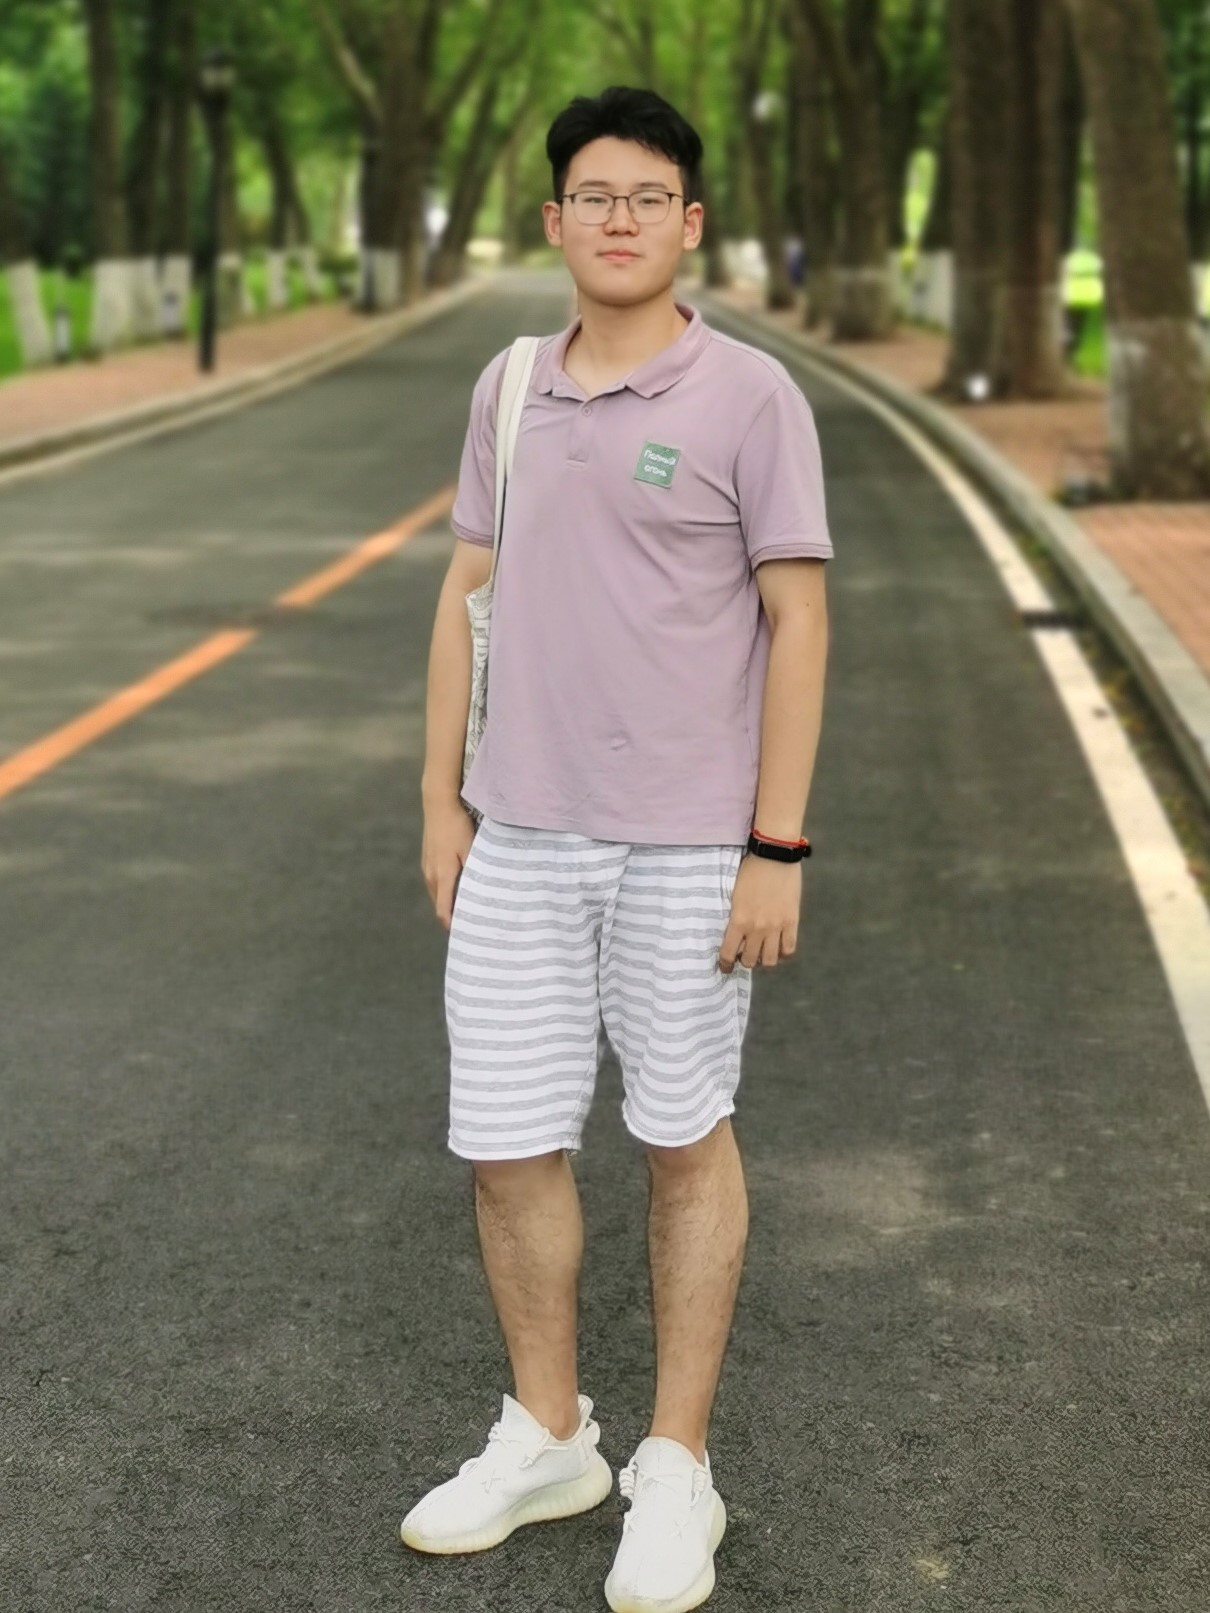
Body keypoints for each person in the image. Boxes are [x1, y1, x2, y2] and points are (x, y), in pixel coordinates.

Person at [406, 84, 832, 1613]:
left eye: (648, 197)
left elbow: (797, 621)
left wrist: (774, 844)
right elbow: (466, 590)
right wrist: (440, 801)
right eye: (593, 195)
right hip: (519, 834)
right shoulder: (511, 385)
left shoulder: (750, 398)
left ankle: (674, 1462)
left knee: (678, 1136)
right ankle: (549, 1433)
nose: (619, 219)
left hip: (686, 844)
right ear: (554, 219)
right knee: (504, 1139)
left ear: (688, 223)